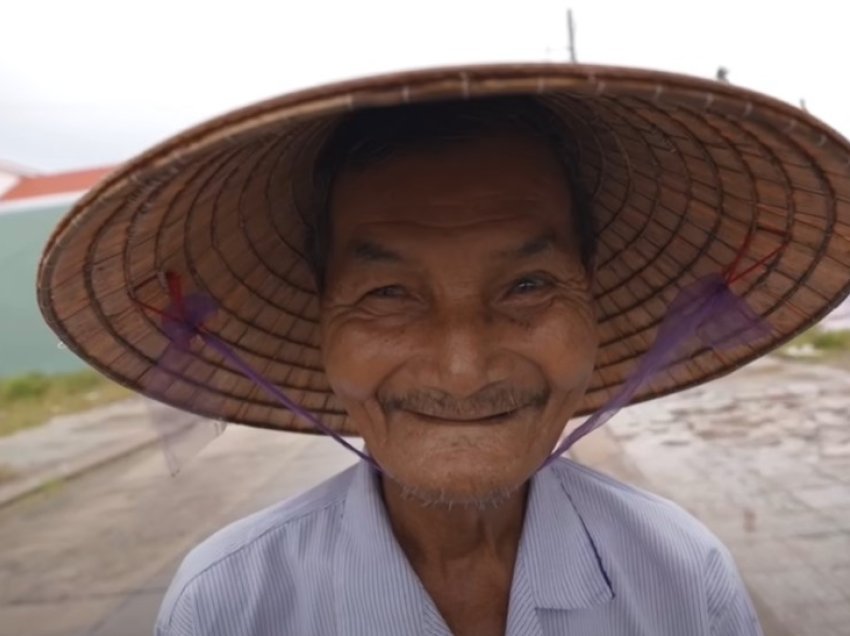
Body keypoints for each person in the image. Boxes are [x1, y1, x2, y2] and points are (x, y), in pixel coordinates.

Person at [37, 64, 850, 635]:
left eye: (528, 286)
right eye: (388, 294)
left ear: (593, 309)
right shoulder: (230, 604)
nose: (464, 370)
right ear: (322, 326)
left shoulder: (682, 577)